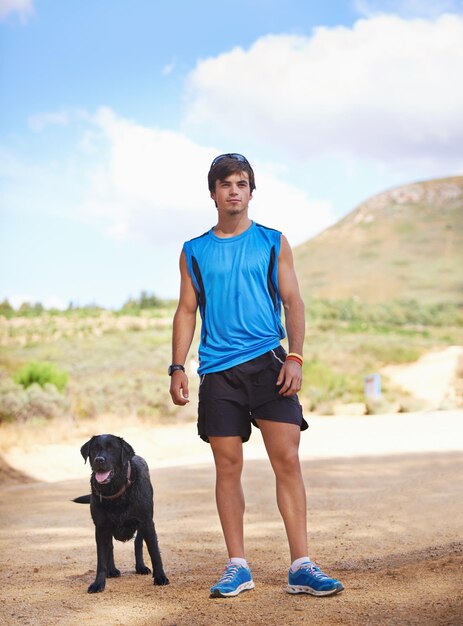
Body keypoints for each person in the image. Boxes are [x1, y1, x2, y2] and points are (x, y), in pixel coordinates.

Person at [169, 153, 344, 598]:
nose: (234, 190)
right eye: (225, 183)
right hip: (219, 374)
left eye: (242, 183)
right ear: (213, 193)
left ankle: (301, 566)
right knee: (227, 467)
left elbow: (294, 302)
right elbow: (187, 310)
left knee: (287, 458)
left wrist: (296, 357)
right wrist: (176, 366)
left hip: (269, 364)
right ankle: (237, 566)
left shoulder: (272, 241)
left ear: (251, 191)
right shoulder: (194, 251)